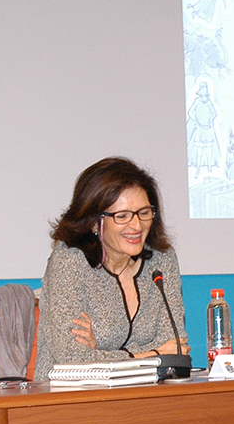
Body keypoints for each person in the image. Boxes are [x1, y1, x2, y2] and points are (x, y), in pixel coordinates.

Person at [34, 157, 190, 380]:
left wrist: (99, 353)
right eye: (122, 216)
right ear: (93, 221)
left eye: (144, 213)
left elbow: (175, 349)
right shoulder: (70, 261)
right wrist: (152, 354)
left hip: (147, 396)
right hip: (71, 399)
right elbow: (71, 358)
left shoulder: (161, 260)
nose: (136, 226)